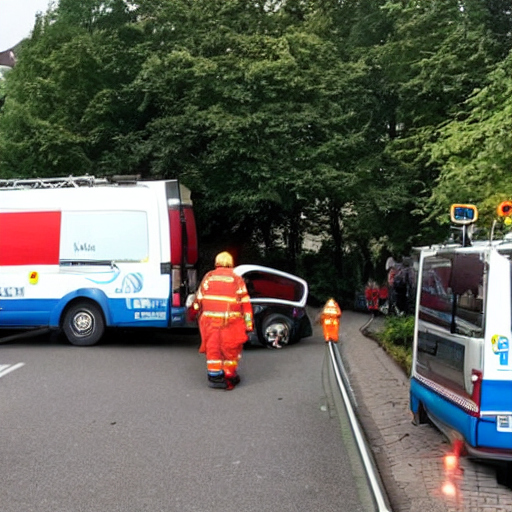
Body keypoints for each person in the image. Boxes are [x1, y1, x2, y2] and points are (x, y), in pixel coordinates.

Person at [191, 251, 254, 390]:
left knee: (213, 348)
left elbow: (198, 300)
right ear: (231, 262)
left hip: (209, 321)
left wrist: (193, 313)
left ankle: (214, 376)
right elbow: (246, 304)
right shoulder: (236, 279)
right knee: (230, 349)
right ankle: (229, 374)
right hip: (230, 321)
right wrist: (248, 325)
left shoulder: (209, 276)